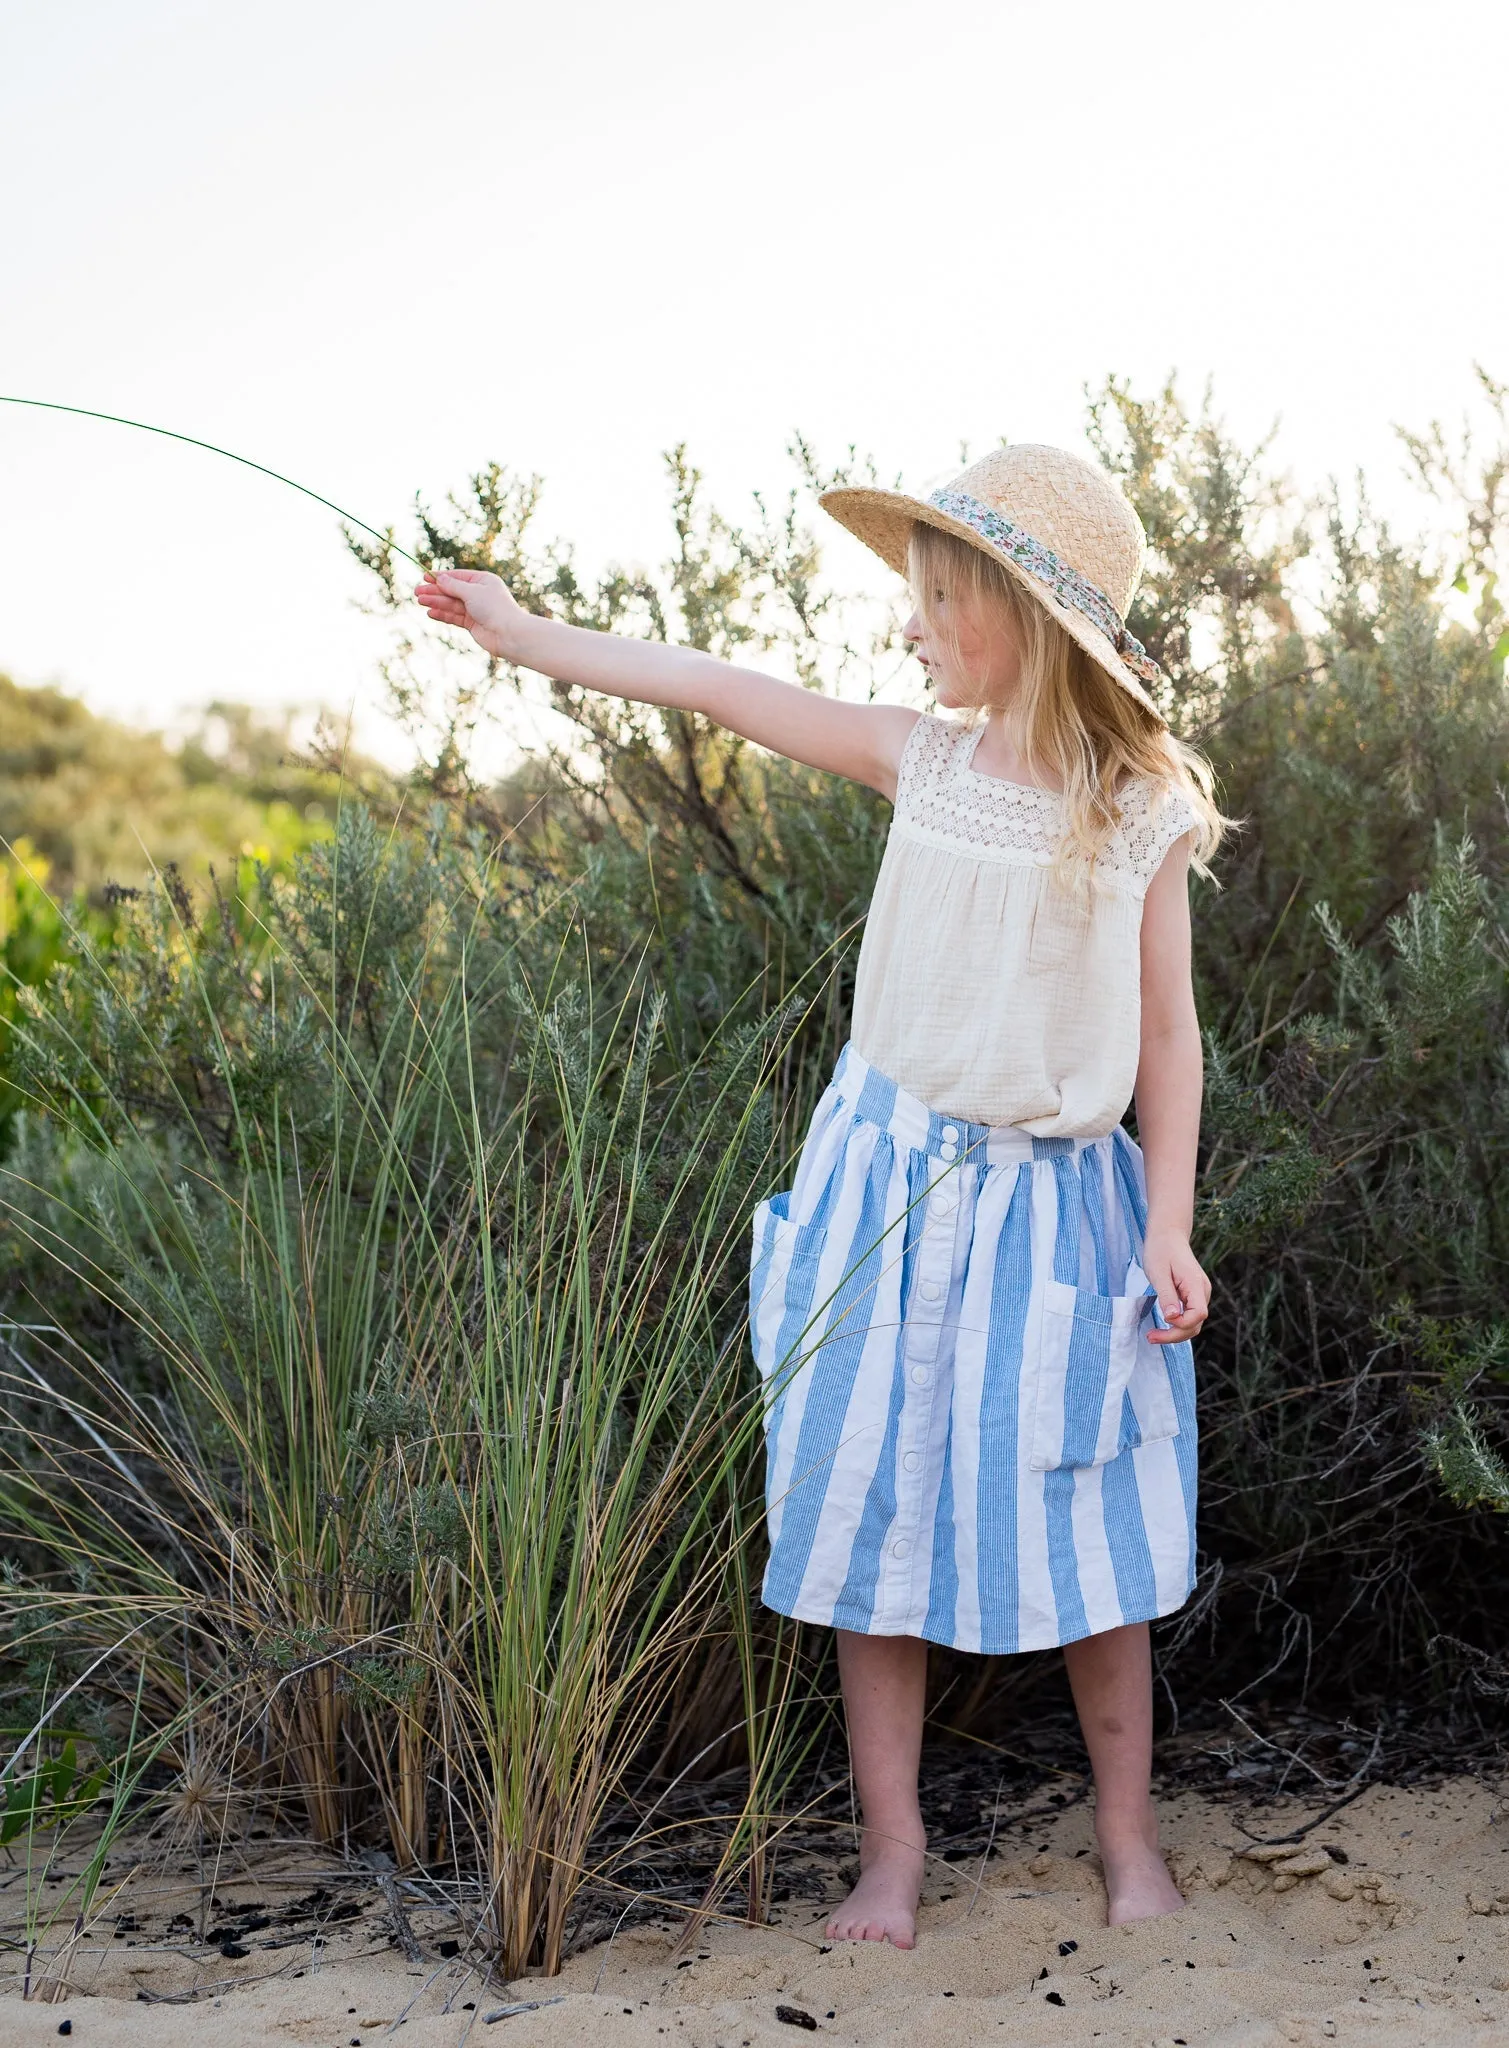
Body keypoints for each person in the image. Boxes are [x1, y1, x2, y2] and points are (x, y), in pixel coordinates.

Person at [415, 441, 1224, 1949]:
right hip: (885, 1192)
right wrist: (523, 632)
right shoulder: (921, 760)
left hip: (1058, 1214)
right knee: (875, 1521)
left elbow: (1169, 1037)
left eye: (933, 598)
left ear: (1022, 615)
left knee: (1091, 1530)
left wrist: (1168, 1222)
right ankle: (893, 1852)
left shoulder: (1136, 807)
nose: (909, 627)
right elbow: (719, 685)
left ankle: (1128, 1838)